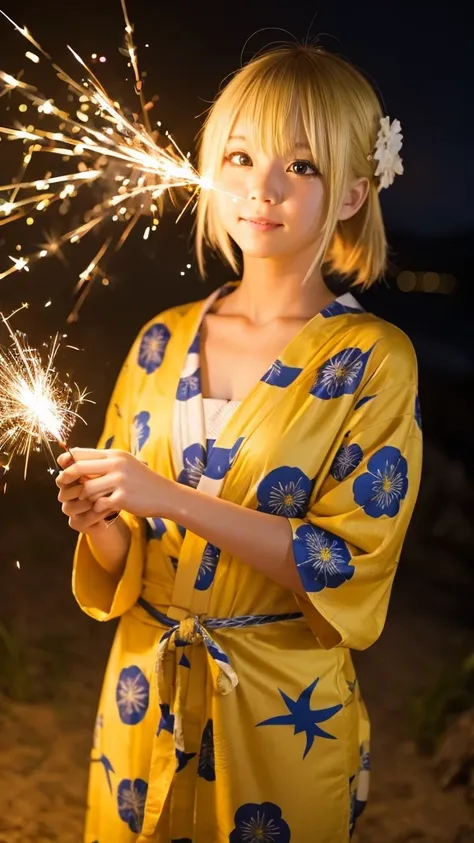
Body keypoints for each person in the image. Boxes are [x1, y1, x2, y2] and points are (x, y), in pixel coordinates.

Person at [56, 44, 422, 843]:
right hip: (143, 692)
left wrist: (165, 496)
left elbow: (344, 560)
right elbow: (133, 556)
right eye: (240, 156)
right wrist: (101, 520)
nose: (263, 188)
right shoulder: (160, 340)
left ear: (356, 190)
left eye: (303, 165)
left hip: (283, 713)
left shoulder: (374, 360)